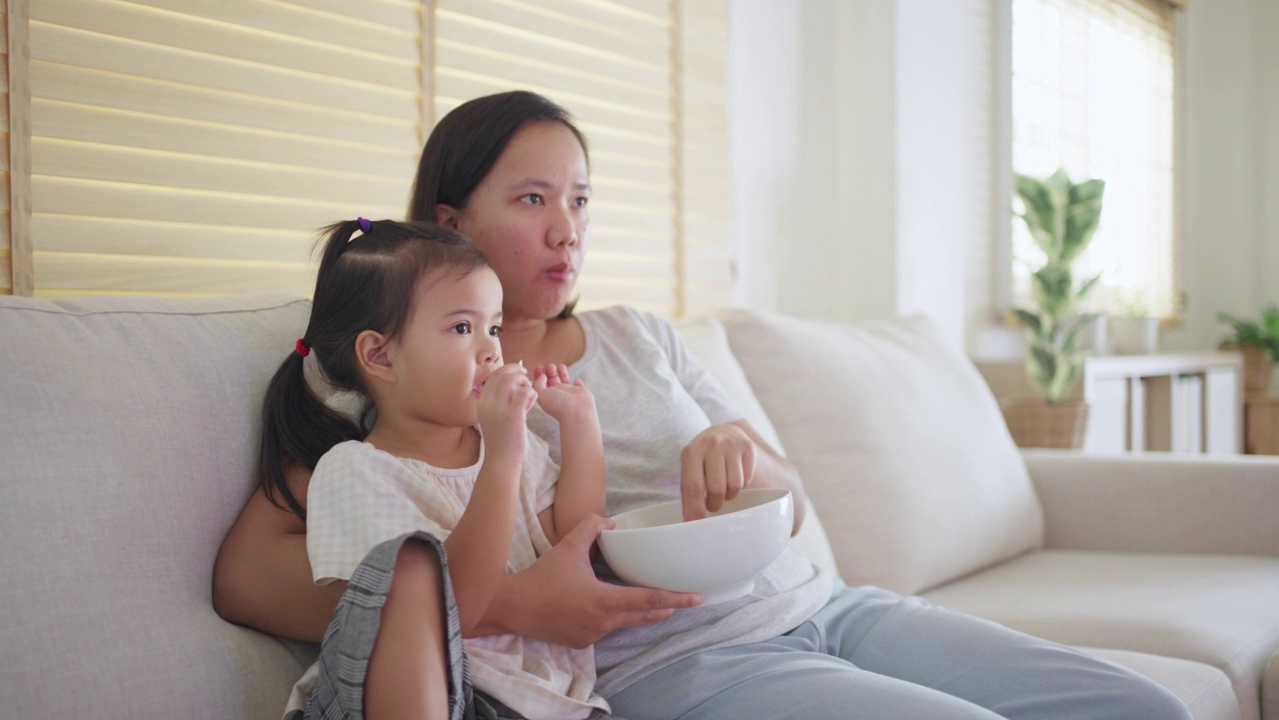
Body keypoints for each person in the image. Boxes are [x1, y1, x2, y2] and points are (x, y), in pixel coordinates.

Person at [215, 91, 1192, 720]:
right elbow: (252, 575)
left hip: (823, 606)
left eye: (582, 201)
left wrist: (743, 452)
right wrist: (512, 603)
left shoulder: (642, 336)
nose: (567, 230)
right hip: (674, 661)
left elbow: (790, 505)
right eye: (530, 200)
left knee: (1137, 708)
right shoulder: (423, 377)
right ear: (447, 220)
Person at [259, 218, 612, 720]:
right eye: (463, 328)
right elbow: (452, 609)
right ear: (380, 356)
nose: (492, 348)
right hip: (434, 697)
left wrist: (581, 428)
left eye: (494, 327)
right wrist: (503, 458)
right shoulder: (355, 472)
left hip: (546, 702)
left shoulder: (510, 443)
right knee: (412, 569)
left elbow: (575, 541)